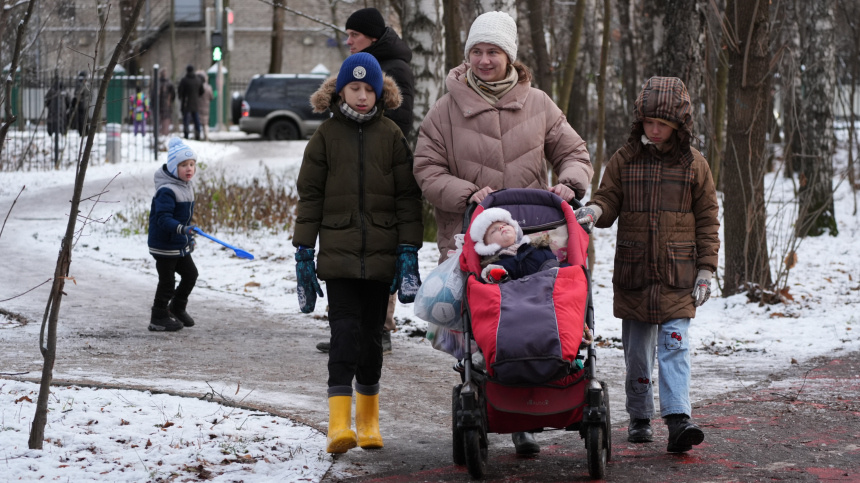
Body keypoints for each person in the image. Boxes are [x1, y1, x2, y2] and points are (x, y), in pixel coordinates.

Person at [412, 10, 592, 456]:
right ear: (467, 54)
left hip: (536, 238)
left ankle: (525, 418)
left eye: (493, 51)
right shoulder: (445, 109)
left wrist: (569, 183)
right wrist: (469, 192)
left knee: (535, 319)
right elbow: (427, 169)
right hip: (474, 239)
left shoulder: (538, 104)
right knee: (481, 329)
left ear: (510, 56)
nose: (484, 60)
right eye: (477, 51)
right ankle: (491, 404)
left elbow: (573, 151)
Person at [574, 76, 720, 453]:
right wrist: (594, 210)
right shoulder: (625, 159)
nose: (654, 130)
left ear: (678, 126)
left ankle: (677, 419)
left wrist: (706, 270)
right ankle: (640, 415)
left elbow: (708, 220)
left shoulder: (694, 165)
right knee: (637, 354)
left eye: (663, 124)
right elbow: (607, 201)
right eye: (649, 123)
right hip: (635, 275)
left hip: (678, 275)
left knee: (675, 347)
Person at [292, 52, 423, 454]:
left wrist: (408, 250)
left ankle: (367, 423)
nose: (363, 96)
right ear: (341, 90)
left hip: (383, 254)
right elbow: (310, 195)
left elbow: (407, 196)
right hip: (339, 254)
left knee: (370, 338)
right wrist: (303, 249)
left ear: (380, 92)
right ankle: (337, 426)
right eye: (355, 87)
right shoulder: (326, 137)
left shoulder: (391, 136)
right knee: (343, 334)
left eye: (370, 89)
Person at [315, 6, 417, 356]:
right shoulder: (366, 64)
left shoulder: (395, 67)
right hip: (352, 170)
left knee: (379, 249)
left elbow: (399, 119)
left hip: (381, 171)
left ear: (371, 37)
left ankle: (379, 328)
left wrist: (374, 146)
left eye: (354, 35)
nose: (348, 41)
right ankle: (347, 327)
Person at [147, 137, 200, 332]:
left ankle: (177, 307)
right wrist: (182, 230)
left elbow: (183, 219)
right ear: (172, 167)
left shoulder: (185, 186)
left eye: (192, 164)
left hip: (178, 242)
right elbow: (163, 219)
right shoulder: (167, 191)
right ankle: (158, 316)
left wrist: (187, 236)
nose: (189, 169)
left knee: (191, 275)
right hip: (164, 244)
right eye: (183, 165)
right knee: (168, 282)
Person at [470, 207, 561, 283]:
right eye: (494, 231)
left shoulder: (537, 246)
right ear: (486, 246)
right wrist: (494, 276)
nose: (502, 227)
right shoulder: (499, 265)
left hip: (556, 281)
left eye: (505, 224)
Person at [177, 64, 204, 140]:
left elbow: (180, 92)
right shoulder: (198, 80)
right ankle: (198, 134)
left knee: (186, 120)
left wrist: (182, 98)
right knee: (196, 120)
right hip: (195, 103)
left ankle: (186, 134)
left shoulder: (184, 80)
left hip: (186, 103)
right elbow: (202, 91)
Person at [152, 69, 176, 144]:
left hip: (161, 105)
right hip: (163, 105)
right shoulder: (165, 83)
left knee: (162, 121)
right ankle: (162, 136)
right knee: (163, 121)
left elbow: (173, 94)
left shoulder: (160, 83)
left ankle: (161, 137)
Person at [196, 71, 214, 141]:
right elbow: (211, 97)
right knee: (205, 123)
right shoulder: (208, 87)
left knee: (198, 121)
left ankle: (198, 135)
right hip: (206, 106)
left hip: (198, 106)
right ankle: (206, 136)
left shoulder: (198, 86)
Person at [70, 71, 89, 137]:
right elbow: (77, 94)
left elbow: (87, 94)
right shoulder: (82, 85)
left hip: (84, 105)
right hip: (82, 105)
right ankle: (83, 132)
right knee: (82, 120)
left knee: (84, 120)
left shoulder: (83, 85)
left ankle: (84, 132)